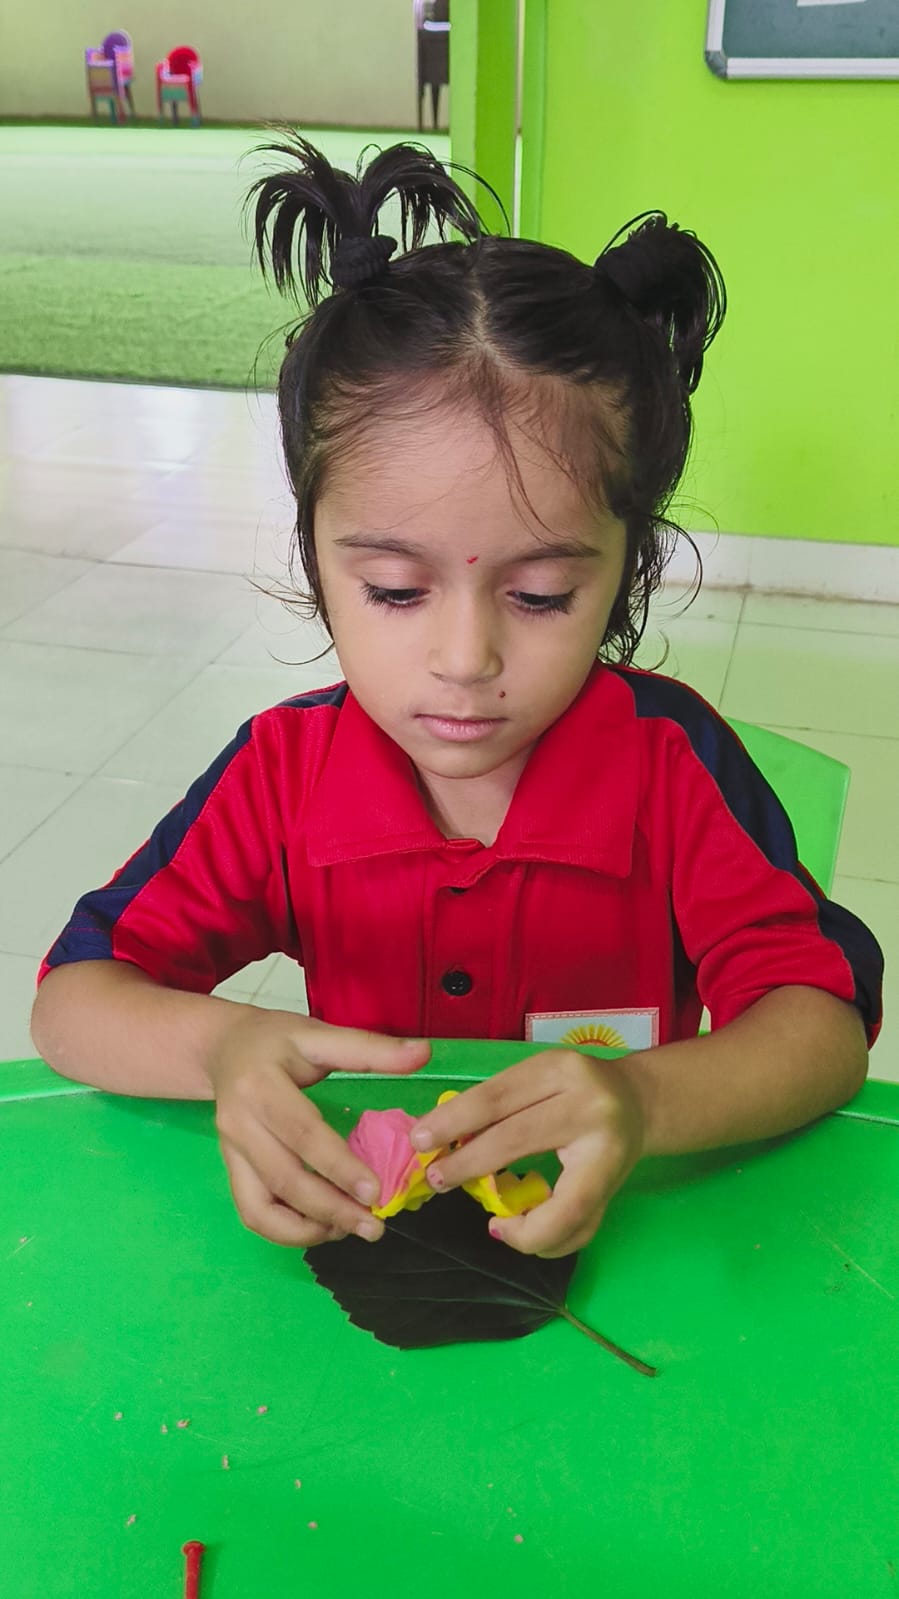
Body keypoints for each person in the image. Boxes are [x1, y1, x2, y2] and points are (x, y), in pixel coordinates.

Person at [31, 136, 883, 1263]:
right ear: (315, 557)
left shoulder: (670, 763)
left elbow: (819, 1026)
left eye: (539, 595)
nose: (465, 658)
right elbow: (74, 1001)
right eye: (394, 588)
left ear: (624, 569)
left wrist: (643, 1102)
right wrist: (222, 1051)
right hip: (368, 1244)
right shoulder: (283, 774)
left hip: (633, 1249)